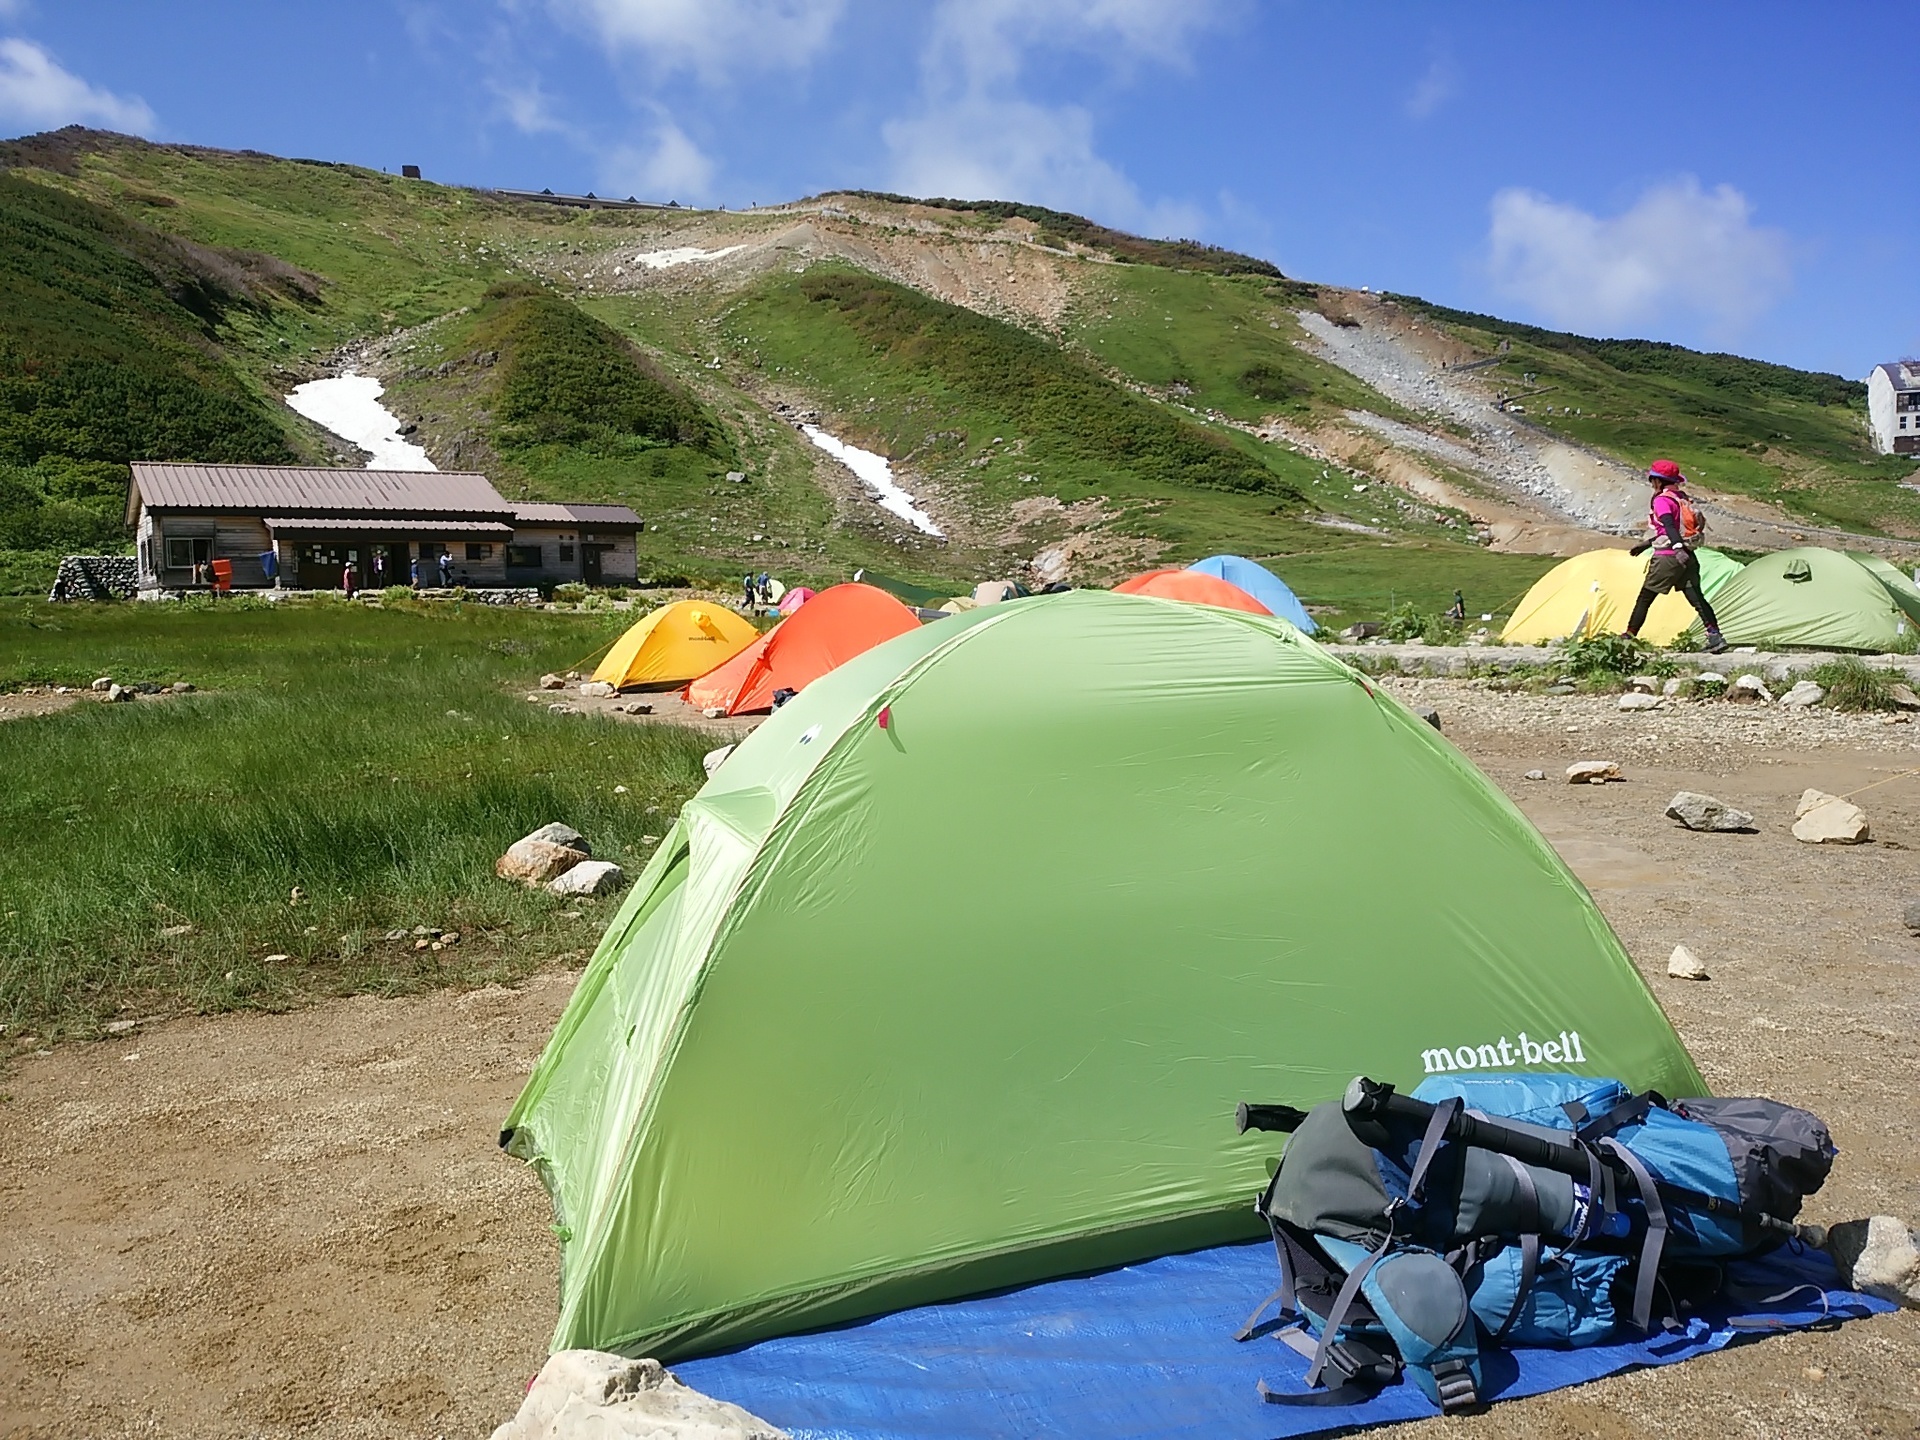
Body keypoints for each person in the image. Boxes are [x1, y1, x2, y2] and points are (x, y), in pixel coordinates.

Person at [1625, 459, 1726, 654]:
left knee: (1645, 598)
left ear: (1658, 480)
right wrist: (1646, 544)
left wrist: (1677, 547)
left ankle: (1628, 638)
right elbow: (1672, 528)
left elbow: (1669, 526)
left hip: (1668, 557)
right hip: (1688, 555)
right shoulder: (1682, 498)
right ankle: (1715, 636)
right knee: (1697, 598)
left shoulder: (1662, 500)